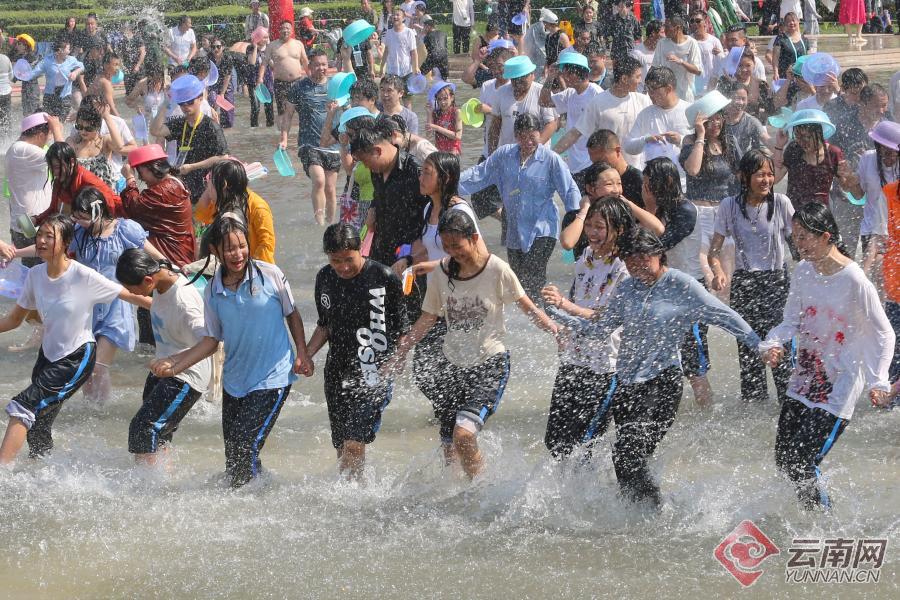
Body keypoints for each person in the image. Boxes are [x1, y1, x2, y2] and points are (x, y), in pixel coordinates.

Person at [547, 227, 761, 506]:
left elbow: (723, 315)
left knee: (629, 455)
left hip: (661, 384)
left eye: (643, 258)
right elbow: (601, 329)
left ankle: (653, 512)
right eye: (630, 259)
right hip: (626, 387)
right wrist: (559, 315)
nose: (636, 265)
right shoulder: (627, 288)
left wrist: (760, 345)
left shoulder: (681, 285)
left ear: (659, 255)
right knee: (625, 458)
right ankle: (640, 513)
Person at [385, 210, 559, 477]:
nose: (454, 252)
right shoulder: (441, 273)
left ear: (474, 237)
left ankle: (480, 489)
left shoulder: (497, 269)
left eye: (458, 245)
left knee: (463, 435)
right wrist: (403, 349)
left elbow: (529, 308)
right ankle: (458, 494)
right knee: (449, 447)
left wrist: (557, 331)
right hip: (452, 366)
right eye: (447, 246)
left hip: (489, 364)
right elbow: (428, 317)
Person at [150, 214, 314, 488]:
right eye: (229, 248)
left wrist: (302, 352)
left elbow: (292, 314)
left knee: (243, 448)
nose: (238, 254)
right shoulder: (213, 289)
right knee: (234, 456)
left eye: (241, 246)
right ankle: (264, 491)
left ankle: (248, 505)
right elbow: (211, 340)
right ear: (215, 250)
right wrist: (175, 365)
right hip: (235, 382)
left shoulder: (270, 274)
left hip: (272, 378)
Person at [761, 203, 893, 510]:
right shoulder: (804, 272)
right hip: (803, 381)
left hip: (837, 389)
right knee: (784, 460)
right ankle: (806, 515)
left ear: (826, 236)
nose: (799, 244)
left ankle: (824, 524)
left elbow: (884, 333)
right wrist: (775, 343)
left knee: (801, 462)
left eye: (805, 237)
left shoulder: (854, 280)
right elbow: (790, 321)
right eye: (795, 237)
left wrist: (878, 381)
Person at [0, 215, 151, 464]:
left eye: (50, 236)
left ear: (66, 242)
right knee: (38, 423)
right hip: (47, 356)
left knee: (22, 406)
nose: (41, 241)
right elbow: (14, 320)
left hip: (76, 357)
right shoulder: (36, 275)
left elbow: (131, 296)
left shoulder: (84, 276)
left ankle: (2, 473)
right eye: (40, 235)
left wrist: (168, 302)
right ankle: (42, 471)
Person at [307, 224, 407, 479]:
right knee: (341, 444)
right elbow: (324, 325)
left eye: (348, 259)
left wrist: (398, 358)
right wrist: (306, 354)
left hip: (374, 370)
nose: (342, 267)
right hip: (337, 370)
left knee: (354, 440)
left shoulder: (384, 277)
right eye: (335, 260)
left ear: (359, 250)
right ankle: (355, 491)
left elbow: (404, 329)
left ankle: (353, 494)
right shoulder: (325, 278)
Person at [541, 197, 637, 458]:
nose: (592, 233)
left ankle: (589, 495)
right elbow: (576, 301)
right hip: (574, 359)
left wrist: (563, 304)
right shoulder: (585, 258)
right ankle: (566, 494)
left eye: (600, 227)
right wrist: (561, 324)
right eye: (590, 226)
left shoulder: (625, 268)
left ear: (618, 229)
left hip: (605, 366)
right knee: (554, 441)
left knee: (584, 443)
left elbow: (604, 317)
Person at [460, 114, 581, 302]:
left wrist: (577, 220)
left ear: (540, 135)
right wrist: (449, 183)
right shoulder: (504, 155)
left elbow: (569, 190)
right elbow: (479, 173)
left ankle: (544, 317)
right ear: (516, 135)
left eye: (533, 136)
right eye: (523, 137)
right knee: (518, 281)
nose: (528, 141)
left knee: (534, 278)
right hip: (514, 230)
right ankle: (535, 316)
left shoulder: (550, 159)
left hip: (542, 229)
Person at [708, 150, 794, 403]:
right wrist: (718, 271)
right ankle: (754, 413)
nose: (767, 179)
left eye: (770, 174)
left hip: (777, 282)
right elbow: (715, 249)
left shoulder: (781, 203)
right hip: (746, 285)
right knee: (750, 353)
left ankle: (787, 407)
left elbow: (800, 244)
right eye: (760, 175)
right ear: (744, 177)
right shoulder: (729, 206)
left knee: (782, 352)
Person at [115, 249, 210, 465]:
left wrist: (175, 363)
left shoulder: (185, 302)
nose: (133, 293)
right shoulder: (161, 273)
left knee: (143, 427)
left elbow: (210, 342)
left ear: (148, 280)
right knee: (159, 433)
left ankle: (146, 488)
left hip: (187, 374)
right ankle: (161, 483)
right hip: (163, 368)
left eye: (134, 289)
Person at [554, 55, 650, 170]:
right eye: (638, 77)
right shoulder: (598, 102)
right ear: (624, 79)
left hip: (637, 169)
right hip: (608, 171)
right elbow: (575, 133)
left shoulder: (643, 100)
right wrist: (551, 155)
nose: (640, 81)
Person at [281, 49, 341, 225]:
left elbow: (347, 111)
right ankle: (319, 222)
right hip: (309, 144)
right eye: (316, 65)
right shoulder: (298, 87)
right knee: (319, 181)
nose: (321, 68)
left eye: (324, 64)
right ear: (309, 67)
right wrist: (284, 137)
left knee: (330, 189)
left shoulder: (335, 87)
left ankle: (330, 225)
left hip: (332, 144)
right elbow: (288, 114)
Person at [149, 74, 229, 204]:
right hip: (184, 185)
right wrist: (165, 104)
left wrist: (193, 167)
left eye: (190, 102)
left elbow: (223, 157)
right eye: (181, 104)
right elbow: (155, 131)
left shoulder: (211, 126)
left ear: (200, 98)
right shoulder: (180, 124)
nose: (186, 107)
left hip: (207, 187)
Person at [840, 121, 900, 279]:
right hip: (871, 227)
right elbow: (858, 194)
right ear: (878, 146)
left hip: (896, 230)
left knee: (889, 275)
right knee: (875, 274)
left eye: (894, 152)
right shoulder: (867, 159)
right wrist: (849, 180)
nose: (890, 156)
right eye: (885, 151)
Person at [120, 144, 196, 269]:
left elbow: (133, 208)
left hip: (173, 256)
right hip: (179, 250)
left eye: (140, 172)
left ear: (153, 168)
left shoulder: (165, 190)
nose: (140, 178)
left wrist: (129, 178)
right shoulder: (173, 182)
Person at [194, 160, 276, 265]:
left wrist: (248, 270)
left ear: (224, 185)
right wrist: (211, 187)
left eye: (209, 184)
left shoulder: (258, 207)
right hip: (233, 267)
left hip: (255, 269)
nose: (207, 189)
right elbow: (201, 216)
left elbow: (266, 245)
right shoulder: (223, 202)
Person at [539, 52, 603, 176]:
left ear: (577, 72)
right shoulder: (570, 94)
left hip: (591, 162)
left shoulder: (596, 94)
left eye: (567, 72)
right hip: (574, 162)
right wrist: (550, 77)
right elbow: (543, 101)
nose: (563, 76)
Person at [772, 109, 845, 213]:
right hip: (793, 213)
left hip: (820, 215)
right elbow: (775, 179)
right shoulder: (794, 149)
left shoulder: (833, 153)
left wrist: (849, 175)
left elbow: (846, 186)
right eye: (798, 136)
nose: (801, 142)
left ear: (819, 134)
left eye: (806, 137)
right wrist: (779, 146)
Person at [623, 67, 691, 175]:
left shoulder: (689, 111)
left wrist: (681, 140)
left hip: (683, 180)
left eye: (653, 89)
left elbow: (701, 145)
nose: (649, 93)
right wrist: (646, 140)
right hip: (654, 180)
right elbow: (628, 147)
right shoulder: (645, 114)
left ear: (668, 89)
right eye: (648, 88)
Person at [36, 142, 122, 225]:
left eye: (57, 167)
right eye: (51, 168)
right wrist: (36, 220)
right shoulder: (59, 182)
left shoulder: (88, 181)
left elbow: (110, 207)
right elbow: (53, 210)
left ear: (72, 162)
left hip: (117, 217)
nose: (54, 172)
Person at [489, 55, 558, 152]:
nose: (518, 82)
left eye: (522, 78)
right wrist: (491, 155)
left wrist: (535, 148)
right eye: (515, 79)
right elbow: (494, 128)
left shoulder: (542, 93)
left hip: (537, 154)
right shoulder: (501, 93)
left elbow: (552, 124)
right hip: (509, 154)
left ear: (532, 75)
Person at [66, 101, 133, 191]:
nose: (83, 132)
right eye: (79, 127)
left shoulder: (105, 141)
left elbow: (119, 146)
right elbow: (64, 160)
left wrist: (107, 117)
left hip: (105, 192)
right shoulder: (74, 142)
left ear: (98, 127)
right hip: (82, 193)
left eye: (88, 128)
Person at [264, 21, 310, 125]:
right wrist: (259, 79)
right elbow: (264, 63)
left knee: (303, 109)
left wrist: (311, 77)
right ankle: (282, 137)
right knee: (282, 112)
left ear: (292, 30)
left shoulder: (298, 44)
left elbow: (305, 61)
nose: (285, 30)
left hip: (298, 82)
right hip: (281, 83)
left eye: (288, 28)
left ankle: (303, 132)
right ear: (279, 30)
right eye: (283, 28)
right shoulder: (272, 46)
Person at [28, 40, 84, 120]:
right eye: (68, 49)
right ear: (60, 51)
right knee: (49, 120)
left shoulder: (71, 60)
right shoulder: (47, 61)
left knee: (62, 119)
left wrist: (75, 73)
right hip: (50, 94)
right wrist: (25, 75)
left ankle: (60, 130)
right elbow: (35, 72)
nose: (69, 51)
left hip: (65, 94)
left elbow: (82, 66)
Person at [652, 15, 702, 103]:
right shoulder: (662, 43)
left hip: (685, 94)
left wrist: (681, 61)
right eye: (664, 26)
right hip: (667, 93)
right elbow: (654, 67)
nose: (664, 30)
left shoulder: (691, 43)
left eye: (667, 27)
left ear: (678, 28)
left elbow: (697, 71)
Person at [718, 79, 770, 157]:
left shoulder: (751, 122)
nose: (740, 102)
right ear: (728, 97)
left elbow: (765, 138)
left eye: (743, 99)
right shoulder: (719, 119)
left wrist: (778, 146)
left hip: (744, 166)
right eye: (737, 98)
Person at [688, 9, 723, 95]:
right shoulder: (688, 41)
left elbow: (720, 63)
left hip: (711, 85)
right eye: (692, 21)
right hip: (693, 87)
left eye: (698, 21)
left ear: (705, 22)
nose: (695, 24)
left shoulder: (714, 41)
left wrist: (720, 54)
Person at [246, 31, 275, 128]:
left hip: (267, 80)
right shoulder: (250, 48)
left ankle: (270, 127)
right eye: (264, 37)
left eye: (267, 37)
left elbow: (273, 65)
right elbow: (252, 62)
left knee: (269, 107)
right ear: (258, 38)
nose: (267, 39)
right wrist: (255, 47)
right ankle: (254, 128)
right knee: (255, 107)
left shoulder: (270, 48)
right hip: (253, 82)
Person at [381, 8, 419, 82]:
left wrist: (416, 67)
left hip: (406, 71)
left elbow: (414, 52)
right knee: (391, 92)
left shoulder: (409, 32)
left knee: (406, 93)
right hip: (391, 70)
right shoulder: (389, 33)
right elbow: (386, 51)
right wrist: (382, 67)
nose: (395, 17)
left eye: (398, 15)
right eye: (393, 15)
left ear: (403, 18)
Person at [10, 35, 42, 117]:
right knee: (26, 110)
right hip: (25, 87)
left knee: (33, 110)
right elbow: (17, 74)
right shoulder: (20, 57)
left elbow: (35, 72)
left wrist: (16, 76)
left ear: (25, 45)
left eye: (19, 44)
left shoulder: (32, 57)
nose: (17, 46)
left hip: (32, 87)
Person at [427, 81, 462, 155]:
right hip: (439, 151)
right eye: (439, 99)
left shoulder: (456, 112)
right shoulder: (435, 113)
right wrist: (429, 113)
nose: (442, 102)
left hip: (453, 152)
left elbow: (458, 136)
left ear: (452, 98)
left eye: (445, 98)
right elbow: (429, 136)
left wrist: (437, 128)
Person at [208, 38, 237, 129]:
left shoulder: (227, 58)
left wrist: (222, 94)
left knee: (228, 115)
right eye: (213, 47)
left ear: (223, 47)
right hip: (213, 84)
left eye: (218, 47)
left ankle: (226, 127)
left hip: (226, 85)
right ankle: (212, 125)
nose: (216, 49)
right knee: (212, 102)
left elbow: (227, 76)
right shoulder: (208, 58)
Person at [771, 13, 808, 81]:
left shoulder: (803, 38)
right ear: (785, 24)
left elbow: (807, 57)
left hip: (802, 75)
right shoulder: (780, 38)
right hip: (785, 75)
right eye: (788, 21)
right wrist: (776, 72)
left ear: (798, 22)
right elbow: (775, 57)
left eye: (793, 20)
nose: (791, 23)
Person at [631, 19, 663, 88]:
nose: (665, 35)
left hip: (657, 93)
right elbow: (632, 76)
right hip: (641, 93)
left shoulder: (662, 51)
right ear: (653, 33)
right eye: (662, 32)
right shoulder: (636, 53)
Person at [541, 9, 570, 74]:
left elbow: (569, 53)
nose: (543, 24)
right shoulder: (548, 36)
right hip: (550, 68)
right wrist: (545, 68)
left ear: (548, 23)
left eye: (544, 23)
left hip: (561, 68)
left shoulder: (562, 36)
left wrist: (559, 66)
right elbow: (548, 55)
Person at [421, 16, 449, 81]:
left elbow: (428, 51)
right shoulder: (443, 33)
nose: (423, 28)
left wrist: (430, 66)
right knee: (445, 77)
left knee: (421, 73)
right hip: (444, 56)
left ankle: (416, 87)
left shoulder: (427, 37)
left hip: (433, 56)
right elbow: (445, 47)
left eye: (424, 26)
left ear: (428, 27)